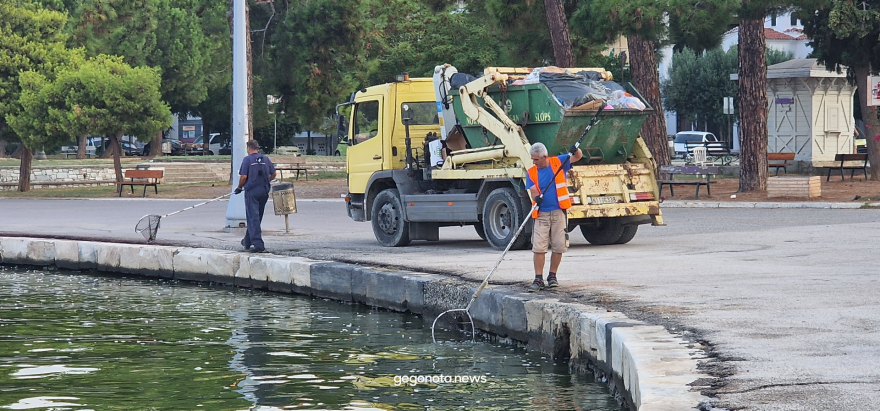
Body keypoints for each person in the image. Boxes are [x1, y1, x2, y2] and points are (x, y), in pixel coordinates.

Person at [525, 142, 582, 292]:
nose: (534, 162)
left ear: (544, 157)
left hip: (559, 212)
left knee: (559, 245)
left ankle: (552, 277)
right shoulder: (531, 172)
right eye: (532, 159)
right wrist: (536, 198)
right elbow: (533, 191)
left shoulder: (558, 162)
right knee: (539, 247)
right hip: (541, 214)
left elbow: (578, 156)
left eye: (536, 159)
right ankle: (538, 279)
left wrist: (575, 149)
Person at [234, 140, 277, 253]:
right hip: (263, 190)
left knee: (252, 217)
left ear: (248, 148)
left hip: (251, 191)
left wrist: (239, 187)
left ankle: (258, 244)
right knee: (257, 216)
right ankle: (247, 241)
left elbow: (243, 176)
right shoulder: (265, 159)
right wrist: (266, 181)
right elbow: (274, 174)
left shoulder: (247, 159)